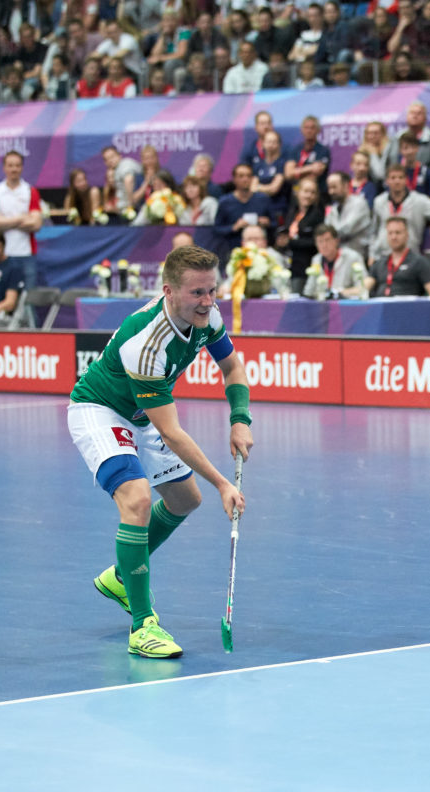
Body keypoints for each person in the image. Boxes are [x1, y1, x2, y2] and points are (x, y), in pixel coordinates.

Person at [67, 244, 252, 659]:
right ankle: (142, 625)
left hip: (138, 414)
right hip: (100, 411)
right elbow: (171, 432)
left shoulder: (209, 317)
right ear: (169, 291)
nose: (207, 302)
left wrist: (240, 417)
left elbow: (233, 367)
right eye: (196, 294)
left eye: (211, 291)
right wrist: (224, 483)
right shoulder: (147, 344)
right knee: (136, 499)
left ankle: (120, 577)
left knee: (185, 498)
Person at [0, 150, 43, 291]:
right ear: (4, 168)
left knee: (28, 300)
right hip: (3, 255)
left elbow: (36, 224)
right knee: (2, 298)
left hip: (26, 254)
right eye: (10, 165)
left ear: (22, 167)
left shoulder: (30, 191)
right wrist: (21, 218)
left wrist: (3, 222)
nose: (14, 169)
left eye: (17, 165)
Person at [369, 163, 430, 258]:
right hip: (383, 255)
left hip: (410, 255)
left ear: (406, 180)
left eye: (400, 177)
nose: (397, 181)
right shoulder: (379, 201)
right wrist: (372, 254)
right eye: (393, 178)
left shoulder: (419, 200)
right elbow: (374, 231)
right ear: (387, 181)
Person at [365, 217, 430, 297]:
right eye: (390, 233)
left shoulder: (420, 262)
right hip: (381, 307)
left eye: (397, 233)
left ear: (407, 235)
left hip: (408, 307)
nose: (393, 237)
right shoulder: (379, 263)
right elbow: (363, 289)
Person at [212, 163, 273, 260]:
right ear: (234, 179)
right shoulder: (225, 202)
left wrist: (267, 222)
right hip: (233, 251)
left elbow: (275, 223)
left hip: (261, 253)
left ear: (253, 178)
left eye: (248, 176)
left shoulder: (263, 199)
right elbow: (217, 229)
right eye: (241, 176)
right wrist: (234, 227)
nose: (245, 179)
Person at [283, 176, 325, 292]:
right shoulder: (292, 212)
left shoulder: (317, 215)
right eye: (306, 191)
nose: (309, 195)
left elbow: (316, 242)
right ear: (298, 192)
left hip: (305, 267)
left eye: (313, 192)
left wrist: (292, 242)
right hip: (288, 264)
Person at [304, 224, 367, 300]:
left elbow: (362, 288)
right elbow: (308, 292)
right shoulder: (316, 259)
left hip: (347, 304)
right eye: (320, 241)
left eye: (327, 240)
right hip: (323, 304)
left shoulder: (353, 257)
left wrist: (339, 292)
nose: (324, 245)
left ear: (336, 241)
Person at [324, 171, 372, 260]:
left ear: (346, 185)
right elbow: (326, 231)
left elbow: (346, 230)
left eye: (334, 187)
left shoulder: (359, 203)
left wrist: (330, 237)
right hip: (337, 257)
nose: (331, 192)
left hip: (357, 256)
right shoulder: (334, 208)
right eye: (329, 188)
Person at [250, 129, 290, 225]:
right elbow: (252, 188)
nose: (271, 145)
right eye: (268, 141)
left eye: (274, 142)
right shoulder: (258, 164)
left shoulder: (282, 163)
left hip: (278, 208)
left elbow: (274, 189)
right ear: (263, 144)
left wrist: (259, 187)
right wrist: (264, 188)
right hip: (260, 209)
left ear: (279, 145)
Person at [284, 115, 331, 191]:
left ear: (318, 130)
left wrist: (296, 171)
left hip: (317, 191)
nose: (309, 131)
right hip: (296, 191)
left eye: (312, 128)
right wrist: (310, 167)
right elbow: (288, 174)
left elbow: (316, 173)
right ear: (301, 129)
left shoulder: (323, 150)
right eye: (306, 127)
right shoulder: (295, 150)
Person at [396, 131, 430, 198]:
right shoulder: (395, 173)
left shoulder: (425, 171)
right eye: (405, 148)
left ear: (417, 148)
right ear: (400, 150)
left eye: (413, 147)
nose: (410, 151)